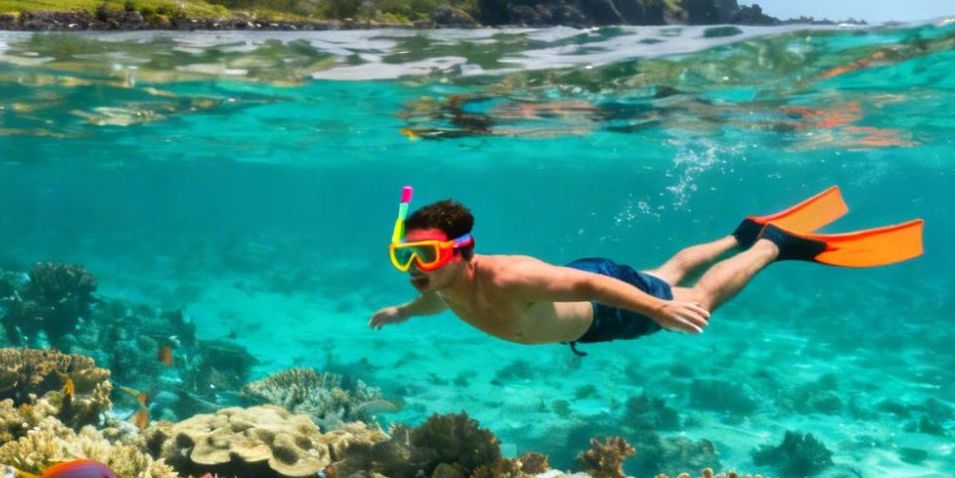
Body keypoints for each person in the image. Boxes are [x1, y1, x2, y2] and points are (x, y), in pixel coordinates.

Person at [369, 187, 922, 355]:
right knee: (665, 270)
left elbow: (586, 284)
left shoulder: (508, 277)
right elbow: (437, 299)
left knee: (693, 301)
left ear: (462, 253)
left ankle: (772, 245)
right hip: (585, 298)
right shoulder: (443, 284)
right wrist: (402, 311)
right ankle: (741, 233)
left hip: (604, 307)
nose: (414, 268)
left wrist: (659, 310)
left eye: (425, 256)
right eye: (404, 256)